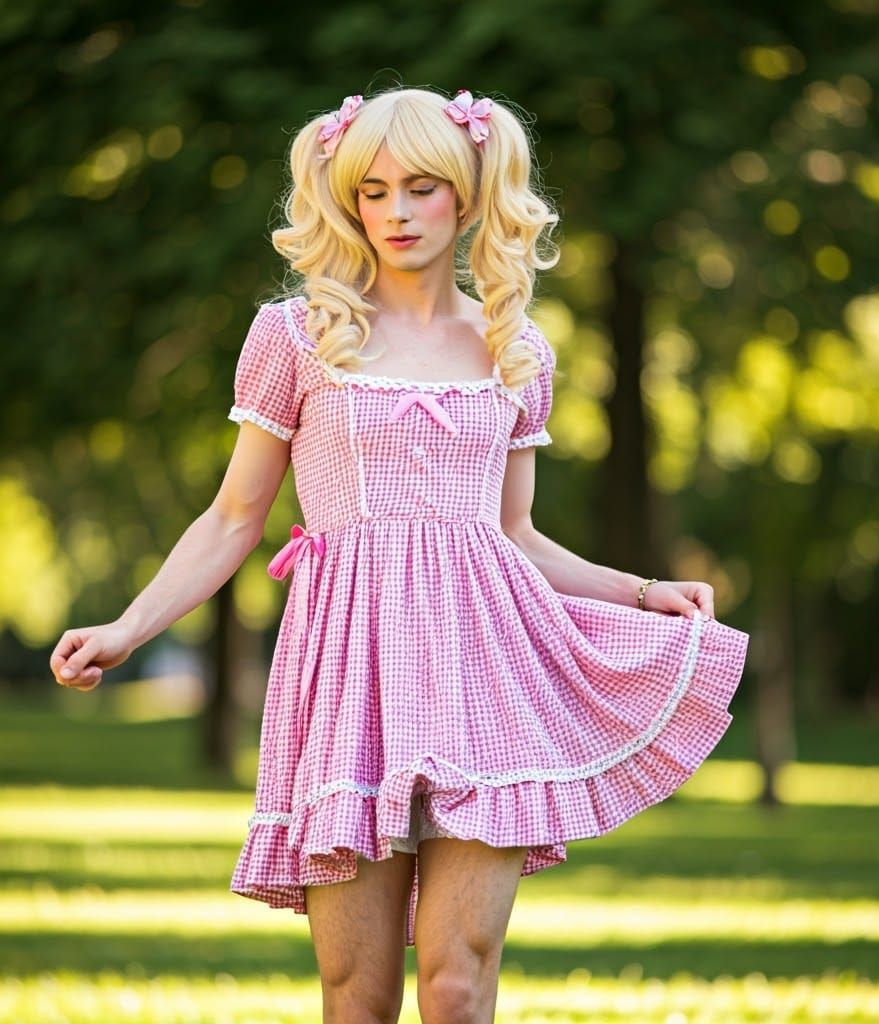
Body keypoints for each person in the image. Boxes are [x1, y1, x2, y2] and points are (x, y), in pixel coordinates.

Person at [49, 85, 749, 1024]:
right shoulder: (294, 336)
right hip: (350, 683)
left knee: (459, 987)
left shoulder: (515, 348)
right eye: (372, 191)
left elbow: (515, 536)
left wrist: (644, 591)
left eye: (422, 187)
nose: (397, 212)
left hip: (485, 678)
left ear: (466, 194)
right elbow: (231, 517)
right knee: (358, 996)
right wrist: (127, 629)